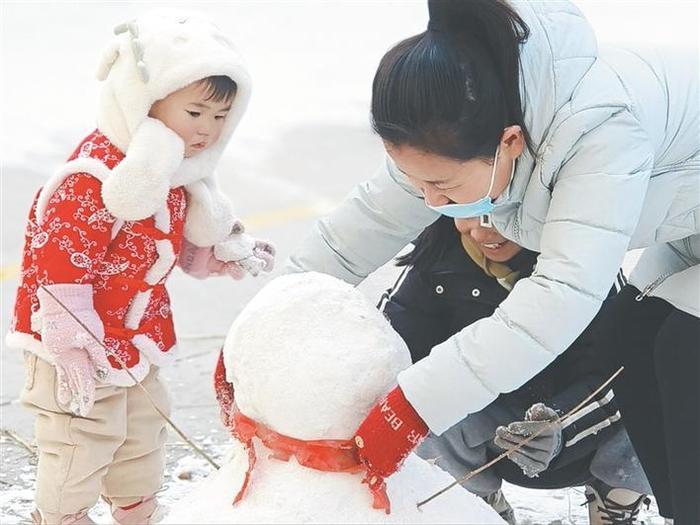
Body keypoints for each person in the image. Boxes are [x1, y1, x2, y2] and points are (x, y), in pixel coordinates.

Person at [287, 1, 698, 522]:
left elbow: (558, 301)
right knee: (633, 344)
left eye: (439, 186)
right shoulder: (462, 116)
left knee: (685, 352)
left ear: (510, 143)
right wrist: (265, 330)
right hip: (691, 227)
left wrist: (409, 409)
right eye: (415, 181)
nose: (429, 201)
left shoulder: (598, 128)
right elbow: (357, 232)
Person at [5, 11, 274, 525]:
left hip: (135, 337)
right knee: (81, 436)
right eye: (195, 112)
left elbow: (166, 243)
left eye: (220, 118)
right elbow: (58, 259)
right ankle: (60, 515)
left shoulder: (173, 171)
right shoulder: (95, 174)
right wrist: (69, 332)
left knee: (141, 430)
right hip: (73, 342)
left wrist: (220, 255)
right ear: (143, 101)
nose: (206, 130)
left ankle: (135, 508)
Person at [378, 215, 651, 524]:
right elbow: (393, 351)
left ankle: (618, 498)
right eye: (470, 213)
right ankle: (474, 505)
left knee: (669, 373)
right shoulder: (436, 260)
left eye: (497, 215)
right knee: (422, 400)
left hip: (585, 431)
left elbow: (627, 371)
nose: (482, 231)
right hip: (493, 438)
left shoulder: (588, 260)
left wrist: (562, 425)